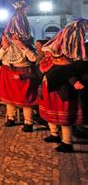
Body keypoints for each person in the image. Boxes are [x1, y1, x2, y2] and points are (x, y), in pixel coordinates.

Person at [37, 19, 87, 152]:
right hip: (50, 89)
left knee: (65, 117)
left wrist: (74, 81)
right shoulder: (49, 61)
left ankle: (67, 142)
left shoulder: (70, 59)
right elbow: (42, 70)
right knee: (50, 113)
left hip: (63, 91)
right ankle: (54, 134)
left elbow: (70, 72)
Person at [0, 1, 37, 132]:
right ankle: (11, 118)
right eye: (12, 33)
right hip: (8, 71)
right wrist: (4, 47)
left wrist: (23, 47)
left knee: (25, 100)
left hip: (22, 72)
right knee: (9, 99)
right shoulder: (7, 45)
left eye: (15, 33)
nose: (13, 35)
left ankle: (28, 122)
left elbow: (34, 58)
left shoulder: (27, 44)